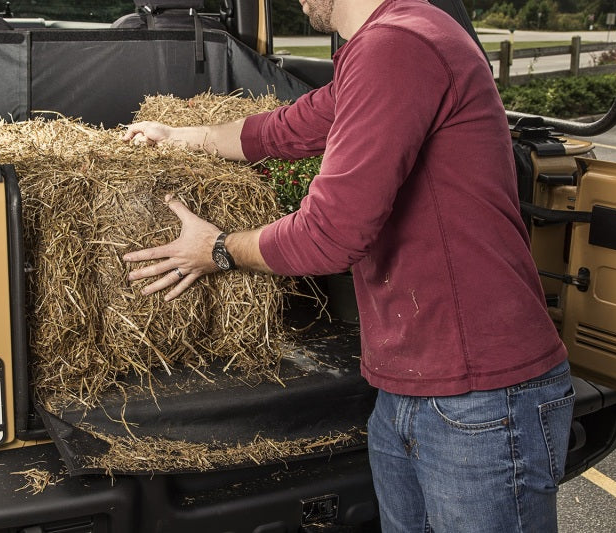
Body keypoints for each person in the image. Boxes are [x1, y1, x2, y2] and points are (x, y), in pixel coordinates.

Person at [122, 0, 575, 531]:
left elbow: (330, 234)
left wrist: (218, 248)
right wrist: (182, 136)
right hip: (413, 386)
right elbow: (286, 129)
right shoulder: (394, 39)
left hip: (479, 396)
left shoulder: (397, 45)